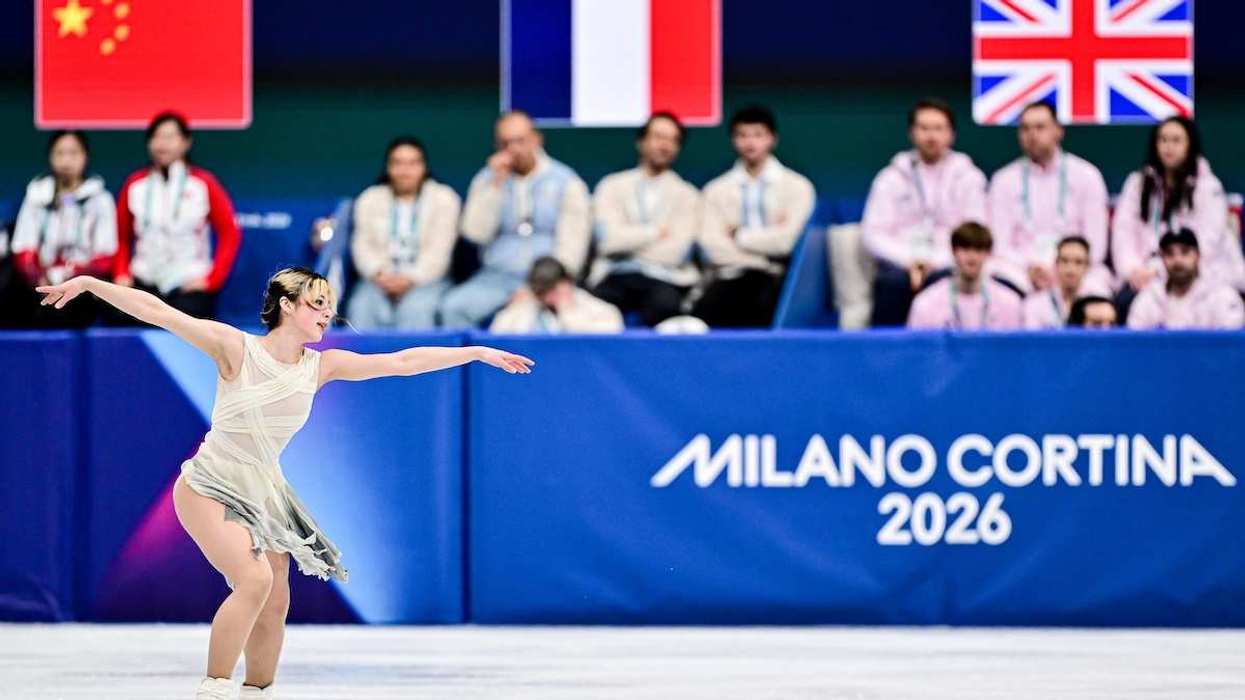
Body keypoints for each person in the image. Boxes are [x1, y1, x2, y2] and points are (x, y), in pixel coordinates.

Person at [35, 267, 533, 699]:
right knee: (254, 581)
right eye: (318, 304)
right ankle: (213, 689)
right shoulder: (236, 348)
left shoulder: (323, 365)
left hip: (264, 491)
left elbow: (402, 362)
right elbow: (160, 311)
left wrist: (474, 353)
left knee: (276, 600)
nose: (327, 314)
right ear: (288, 306)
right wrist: (91, 284)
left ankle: (259, 692)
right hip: (208, 484)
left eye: (330, 307)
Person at [440, 110, 591, 328]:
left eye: (520, 141)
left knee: (536, 321)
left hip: (550, 280)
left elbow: (573, 245)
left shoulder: (566, 181)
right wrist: (494, 187)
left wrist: (542, 285)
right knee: (454, 308)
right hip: (496, 278)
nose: (513, 150)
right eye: (505, 144)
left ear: (536, 140)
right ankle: (467, 362)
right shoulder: (486, 179)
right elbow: (475, 233)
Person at [861, 98, 988, 326]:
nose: (931, 136)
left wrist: (936, 261)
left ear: (952, 135)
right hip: (900, 266)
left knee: (944, 281)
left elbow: (976, 233)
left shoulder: (969, 177)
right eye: (924, 128)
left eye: (939, 129)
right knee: (891, 284)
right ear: (912, 133)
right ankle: (885, 358)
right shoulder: (890, 178)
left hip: (949, 264)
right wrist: (910, 261)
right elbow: (872, 234)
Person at [112, 112, 242, 321]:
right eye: (157, 137)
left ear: (186, 142)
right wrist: (121, 273)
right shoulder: (135, 184)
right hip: (144, 281)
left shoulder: (203, 183)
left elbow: (230, 233)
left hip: (188, 284)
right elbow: (120, 236)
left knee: (188, 322)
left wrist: (212, 279)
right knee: (119, 314)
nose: (163, 144)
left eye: (170, 137)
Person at [694, 105, 816, 327]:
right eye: (743, 135)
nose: (750, 143)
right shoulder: (715, 190)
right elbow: (710, 246)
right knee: (705, 312)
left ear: (772, 139)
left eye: (758, 135)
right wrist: (762, 258)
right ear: (733, 140)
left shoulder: (798, 187)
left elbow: (786, 242)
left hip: (778, 279)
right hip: (728, 277)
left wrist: (738, 235)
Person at [1112, 117, 1245, 304]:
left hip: (1199, 273)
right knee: (1124, 301)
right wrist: (1132, 269)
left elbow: (1208, 242)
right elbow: (1123, 232)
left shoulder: (1208, 187)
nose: (1168, 147)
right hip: (1143, 276)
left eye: (1176, 140)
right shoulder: (1138, 183)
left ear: (1190, 145)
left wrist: (1161, 268)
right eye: (1163, 140)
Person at [987, 102, 1111, 295]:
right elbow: (999, 244)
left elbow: (1096, 243)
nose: (1032, 135)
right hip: (1021, 271)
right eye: (1025, 129)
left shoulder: (1087, 175)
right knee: (996, 279)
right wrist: (1031, 268)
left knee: (1098, 288)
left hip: (1076, 268)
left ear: (1058, 131)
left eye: (1040, 127)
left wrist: (1062, 268)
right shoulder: (1003, 180)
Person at [589, 113, 701, 327]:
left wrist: (628, 240)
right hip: (615, 275)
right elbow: (608, 242)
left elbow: (676, 253)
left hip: (666, 279)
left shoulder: (688, 195)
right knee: (591, 313)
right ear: (641, 142)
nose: (665, 145)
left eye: (672, 140)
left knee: (667, 308)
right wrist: (656, 233)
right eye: (658, 137)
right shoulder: (611, 186)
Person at [346, 137, 460, 329]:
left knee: (416, 311)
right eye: (397, 163)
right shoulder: (369, 198)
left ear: (423, 167)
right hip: (379, 279)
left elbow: (440, 251)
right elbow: (361, 247)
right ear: (388, 167)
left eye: (412, 163)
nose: (405, 171)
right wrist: (380, 274)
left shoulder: (445, 198)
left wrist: (410, 278)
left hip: (427, 280)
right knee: (362, 307)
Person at [10, 130, 116, 327]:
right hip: (40, 284)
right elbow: (22, 246)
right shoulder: (36, 196)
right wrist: (38, 276)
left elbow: (105, 254)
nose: (66, 161)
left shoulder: (101, 199)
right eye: (60, 153)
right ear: (50, 157)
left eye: (73, 153)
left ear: (85, 157)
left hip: (83, 287)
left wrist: (75, 276)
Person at [907, 222, 1023, 330]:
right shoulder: (926, 304)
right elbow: (916, 349)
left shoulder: (1010, 304)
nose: (972, 258)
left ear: (988, 254)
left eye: (978, 250)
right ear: (953, 252)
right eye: (965, 249)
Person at [1126, 229, 1245, 330]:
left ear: (1198, 256)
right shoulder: (1149, 298)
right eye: (1169, 253)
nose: (1177, 260)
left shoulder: (1222, 295)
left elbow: (1231, 346)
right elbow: (1135, 345)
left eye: (1185, 252)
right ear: (1162, 259)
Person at [491, 256, 624, 334]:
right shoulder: (525, 306)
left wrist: (568, 313)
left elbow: (608, 342)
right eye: (541, 292)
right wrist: (518, 309)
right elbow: (498, 336)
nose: (547, 297)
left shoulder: (600, 310)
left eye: (551, 289)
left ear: (566, 282)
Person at [1022, 236, 1094, 329]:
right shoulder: (1035, 304)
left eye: (1078, 262)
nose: (1070, 269)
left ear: (1088, 266)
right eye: (1064, 261)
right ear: (1056, 264)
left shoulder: (1098, 304)